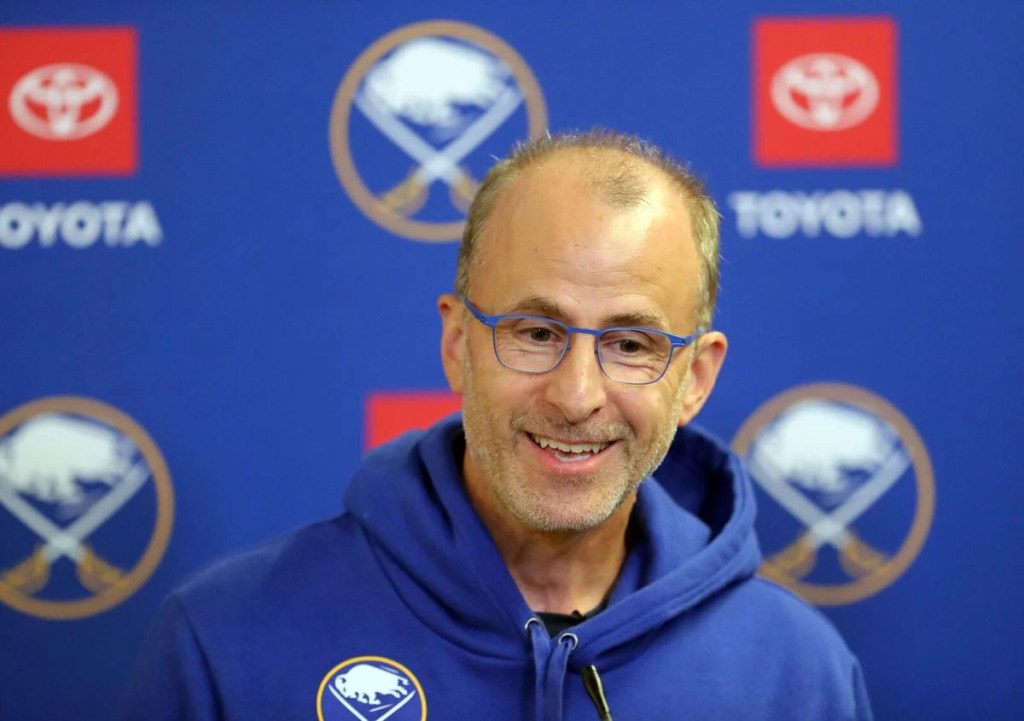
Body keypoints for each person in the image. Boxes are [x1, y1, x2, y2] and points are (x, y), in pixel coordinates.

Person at [119, 130, 872, 720]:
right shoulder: (226, 639)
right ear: (457, 344)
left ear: (695, 380)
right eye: (536, 333)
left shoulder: (799, 673)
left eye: (631, 345)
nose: (577, 396)